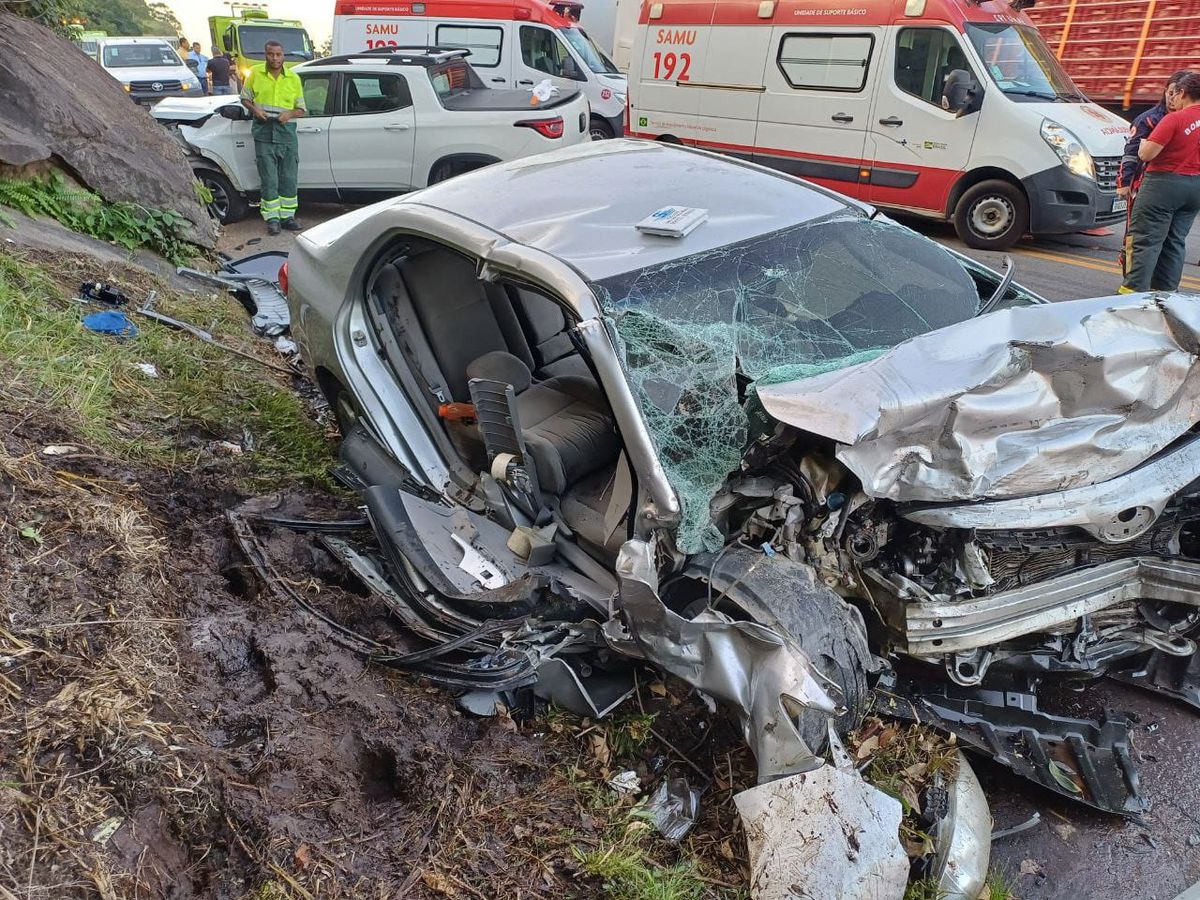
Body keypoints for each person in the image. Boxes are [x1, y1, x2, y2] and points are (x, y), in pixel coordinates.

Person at [1120, 71, 1200, 293]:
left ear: (1183, 93)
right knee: (1175, 242)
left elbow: (1145, 154)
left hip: (1163, 185)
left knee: (1145, 240)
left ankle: (1131, 294)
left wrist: (1146, 143)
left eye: (1175, 93)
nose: (1172, 98)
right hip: (1195, 188)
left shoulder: (1174, 119)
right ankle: (1166, 296)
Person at [241, 41, 306, 235]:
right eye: (271, 54)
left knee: (288, 177)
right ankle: (272, 219)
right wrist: (255, 109)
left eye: (278, 54)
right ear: (265, 55)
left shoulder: (293, 78)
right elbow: (244, 98)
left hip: (286, 133)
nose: (275, 58)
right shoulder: (255, 74)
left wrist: (289, 114)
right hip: (263, 131)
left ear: (283, 55)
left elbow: (301, 109)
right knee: (269, 178)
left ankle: (287, 217)